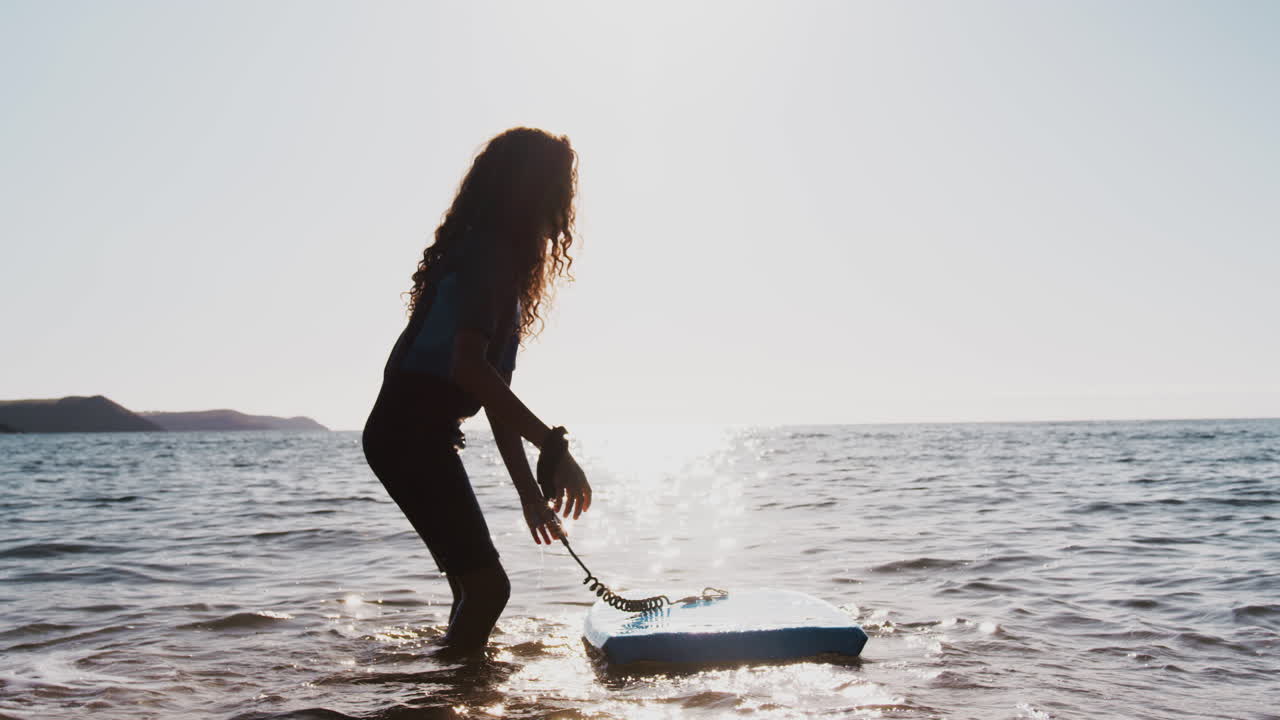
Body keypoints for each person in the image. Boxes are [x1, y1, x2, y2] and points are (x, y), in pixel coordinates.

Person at [362, 127, 592, 654]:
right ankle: (452, 691)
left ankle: (447, 694)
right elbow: (469, 369)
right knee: (489, 589)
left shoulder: (494, 259)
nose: (567, 201)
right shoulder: (488, 257)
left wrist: (531, 496)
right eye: (561, 186)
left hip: (414, 434)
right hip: (407, 434)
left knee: (472, 587)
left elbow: (492, 393)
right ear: (532, 190)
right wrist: (552, 448)